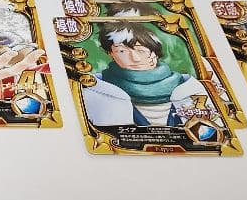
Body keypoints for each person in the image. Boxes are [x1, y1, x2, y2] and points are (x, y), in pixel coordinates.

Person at [82, 20, 216, 125]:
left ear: (154, 52)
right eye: (122, 51)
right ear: (110, 53)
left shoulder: (190, 87)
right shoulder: (94, 88)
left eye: (141, 50)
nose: (135, 58)